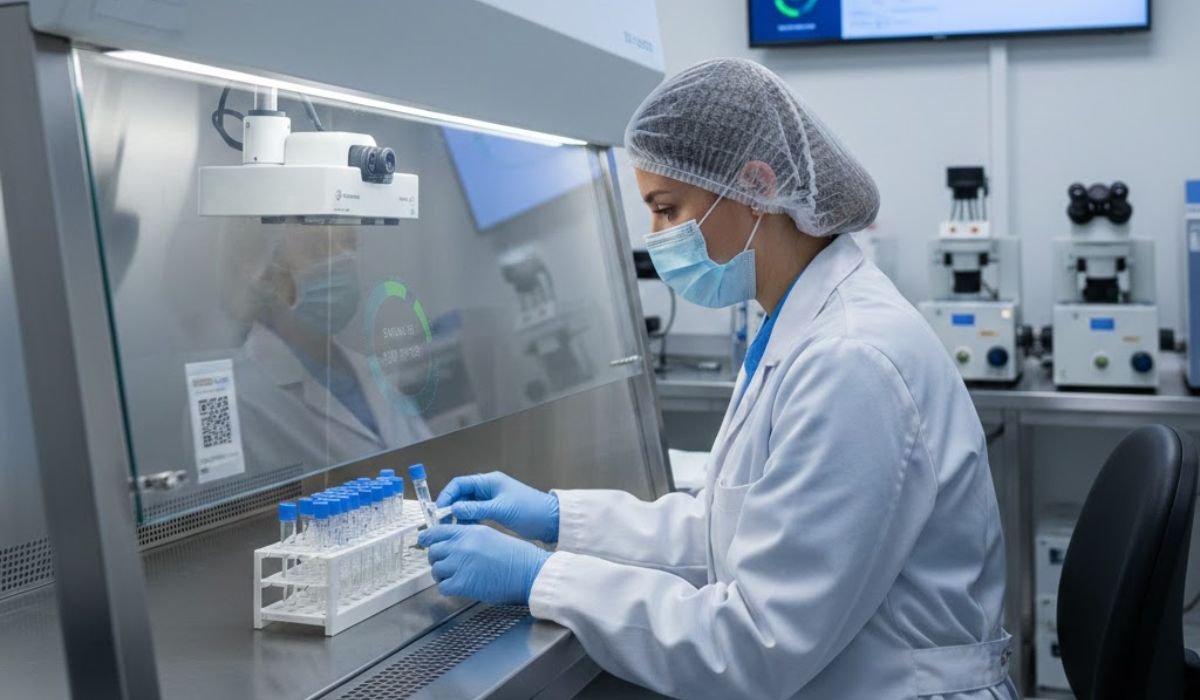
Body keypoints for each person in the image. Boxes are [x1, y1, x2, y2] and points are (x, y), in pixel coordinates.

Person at [418, 58, 1016, 699]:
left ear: (757, 186)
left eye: (667, 209)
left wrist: (544, 578)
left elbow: (752, 643)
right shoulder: (801, 327)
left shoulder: (851, 359)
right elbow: (726, 534)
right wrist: (560, 518)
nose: (654, 238)